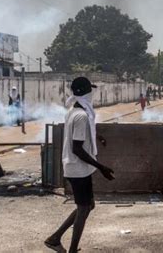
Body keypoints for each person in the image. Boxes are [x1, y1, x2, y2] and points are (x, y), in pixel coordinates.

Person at [45, 77, 114, 253]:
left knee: (87, 206)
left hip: (79, 168)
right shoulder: (81, 115)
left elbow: (81, 134)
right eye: (90, 90)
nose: (93, 94)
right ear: (85, 93)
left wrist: (97, 137)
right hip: (78, 168)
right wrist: (101, 167)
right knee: (84, 208)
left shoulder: (74, 111)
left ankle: (54, 239)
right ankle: (72, 250)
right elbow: (77, 148)